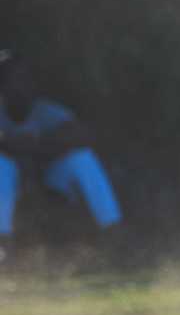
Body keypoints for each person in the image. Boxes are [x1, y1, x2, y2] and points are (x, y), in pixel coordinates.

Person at [0, 50, 122, 258]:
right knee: (2, 165)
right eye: (13, 79)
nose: (21, 86)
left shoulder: (48, 111)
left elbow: (81, 135)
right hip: (11, 186)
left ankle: (113, 234)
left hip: (50, 183)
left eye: (25, 78)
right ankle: (2, 244)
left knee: (82, 158)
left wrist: (37, 144)